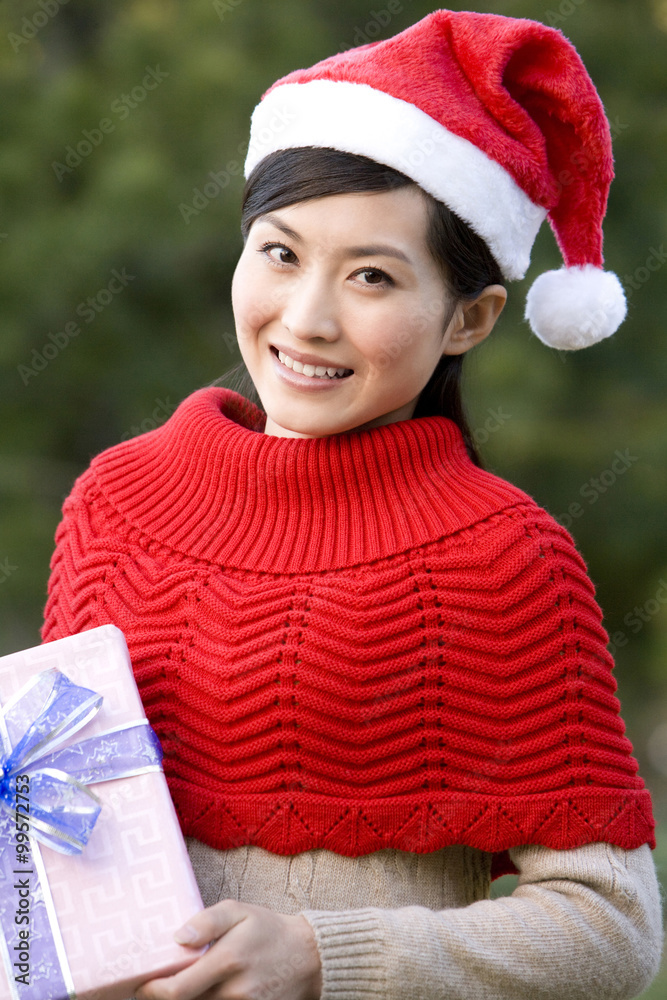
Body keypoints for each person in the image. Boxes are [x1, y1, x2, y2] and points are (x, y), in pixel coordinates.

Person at [41, 9, 663, 1000]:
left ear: (470, 317)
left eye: (371, 275)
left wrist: (325, 953)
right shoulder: (113, 503)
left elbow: (612, 924)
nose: (307, 317)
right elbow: (54, 852)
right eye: (280, 253)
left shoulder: (503, 556)